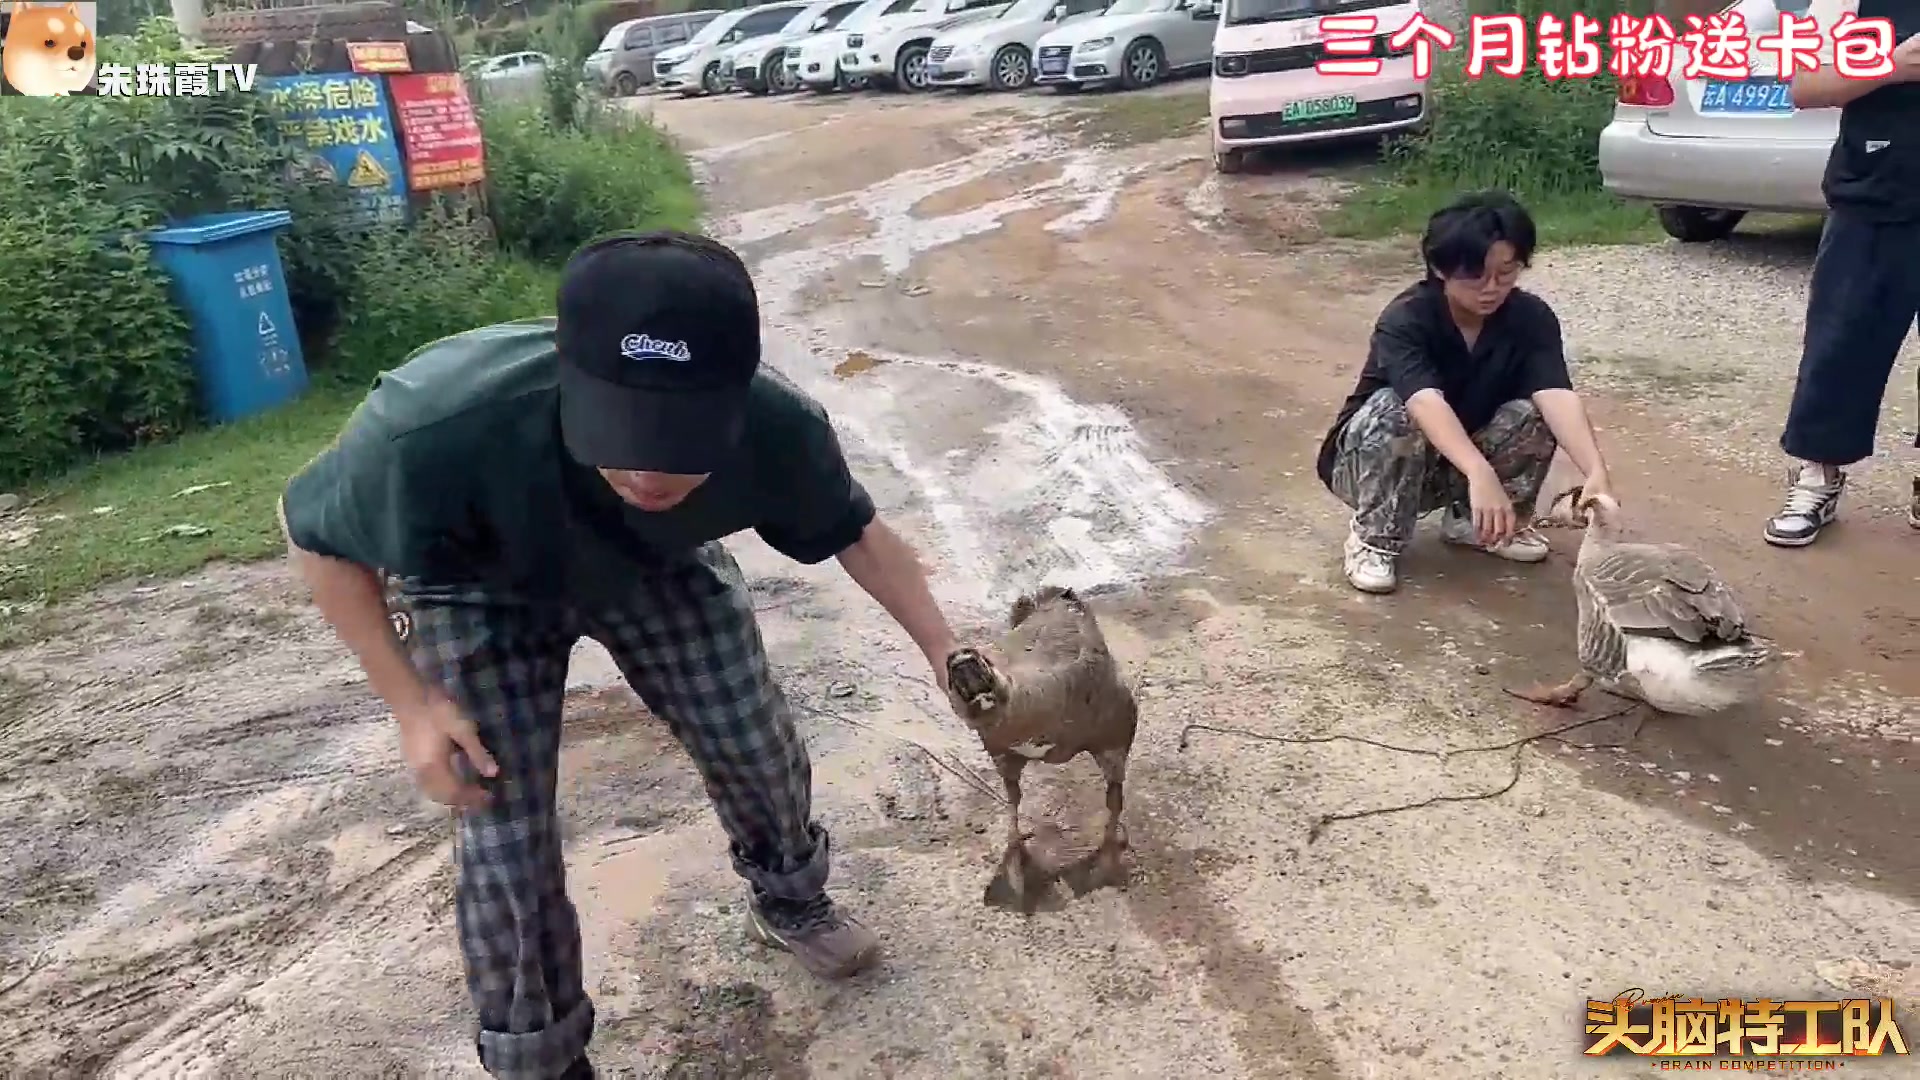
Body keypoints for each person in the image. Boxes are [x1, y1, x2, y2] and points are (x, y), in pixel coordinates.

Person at [278, 231, 962, 1080]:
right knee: (503, 828)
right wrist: (413, 706)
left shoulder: (778, 426)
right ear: (569, 378)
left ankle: (792, 897)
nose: (645, 468)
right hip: (473, 586)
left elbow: (854, 532)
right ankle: (542, 1057)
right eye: (623, 428)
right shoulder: (432, 423)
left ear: (737, 400)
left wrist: (947, 651)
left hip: (653, 564)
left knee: (749, 733)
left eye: (679, 439)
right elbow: (318, 540)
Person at [1315, 191, 1617, 594]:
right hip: (1369, 464)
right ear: (1441, 268)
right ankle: (1375, 539)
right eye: (1475, 275)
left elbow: (1555, 393)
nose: (1491, 288)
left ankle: (1480, 524)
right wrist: (1479, 472)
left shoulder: (1531, 318)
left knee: (1534, 412)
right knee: (1396, 409)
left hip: (1456, 462)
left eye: (1506, 273)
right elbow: (1424, 400)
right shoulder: (1406, 319)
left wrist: (1595, 470)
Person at [1763, 8, 1920, 546]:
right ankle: (1817, 475)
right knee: (1843, 343)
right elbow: (1804, 85)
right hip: (1873, 192)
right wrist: (1893, 64)